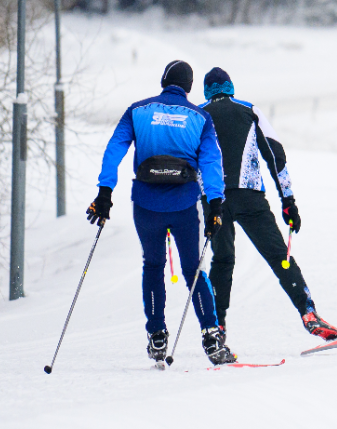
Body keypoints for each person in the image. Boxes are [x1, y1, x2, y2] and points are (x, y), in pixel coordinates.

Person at [85, 60, 237, 365]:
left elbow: (115, 148)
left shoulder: (137, 111)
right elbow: (211, 163)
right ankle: (211, 335)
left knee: (152, 265)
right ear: (190, 87)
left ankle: (156, 335)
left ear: (164, 81)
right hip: (183, 205)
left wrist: (105, 192)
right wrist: (216, 204)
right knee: (193, 269)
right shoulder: (201, 118)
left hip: (146, 204)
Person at [197, 66, 337, 341]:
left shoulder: (198, 115)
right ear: (230, 87)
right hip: (249, 195)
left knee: (223, 259)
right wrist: (288, 200)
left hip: (213, 199)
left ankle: (218, 327)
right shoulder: (249, 110)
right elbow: (275, 157)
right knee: (279, 256)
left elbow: (188, 161)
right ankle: (308, 312)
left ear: (206, 91)